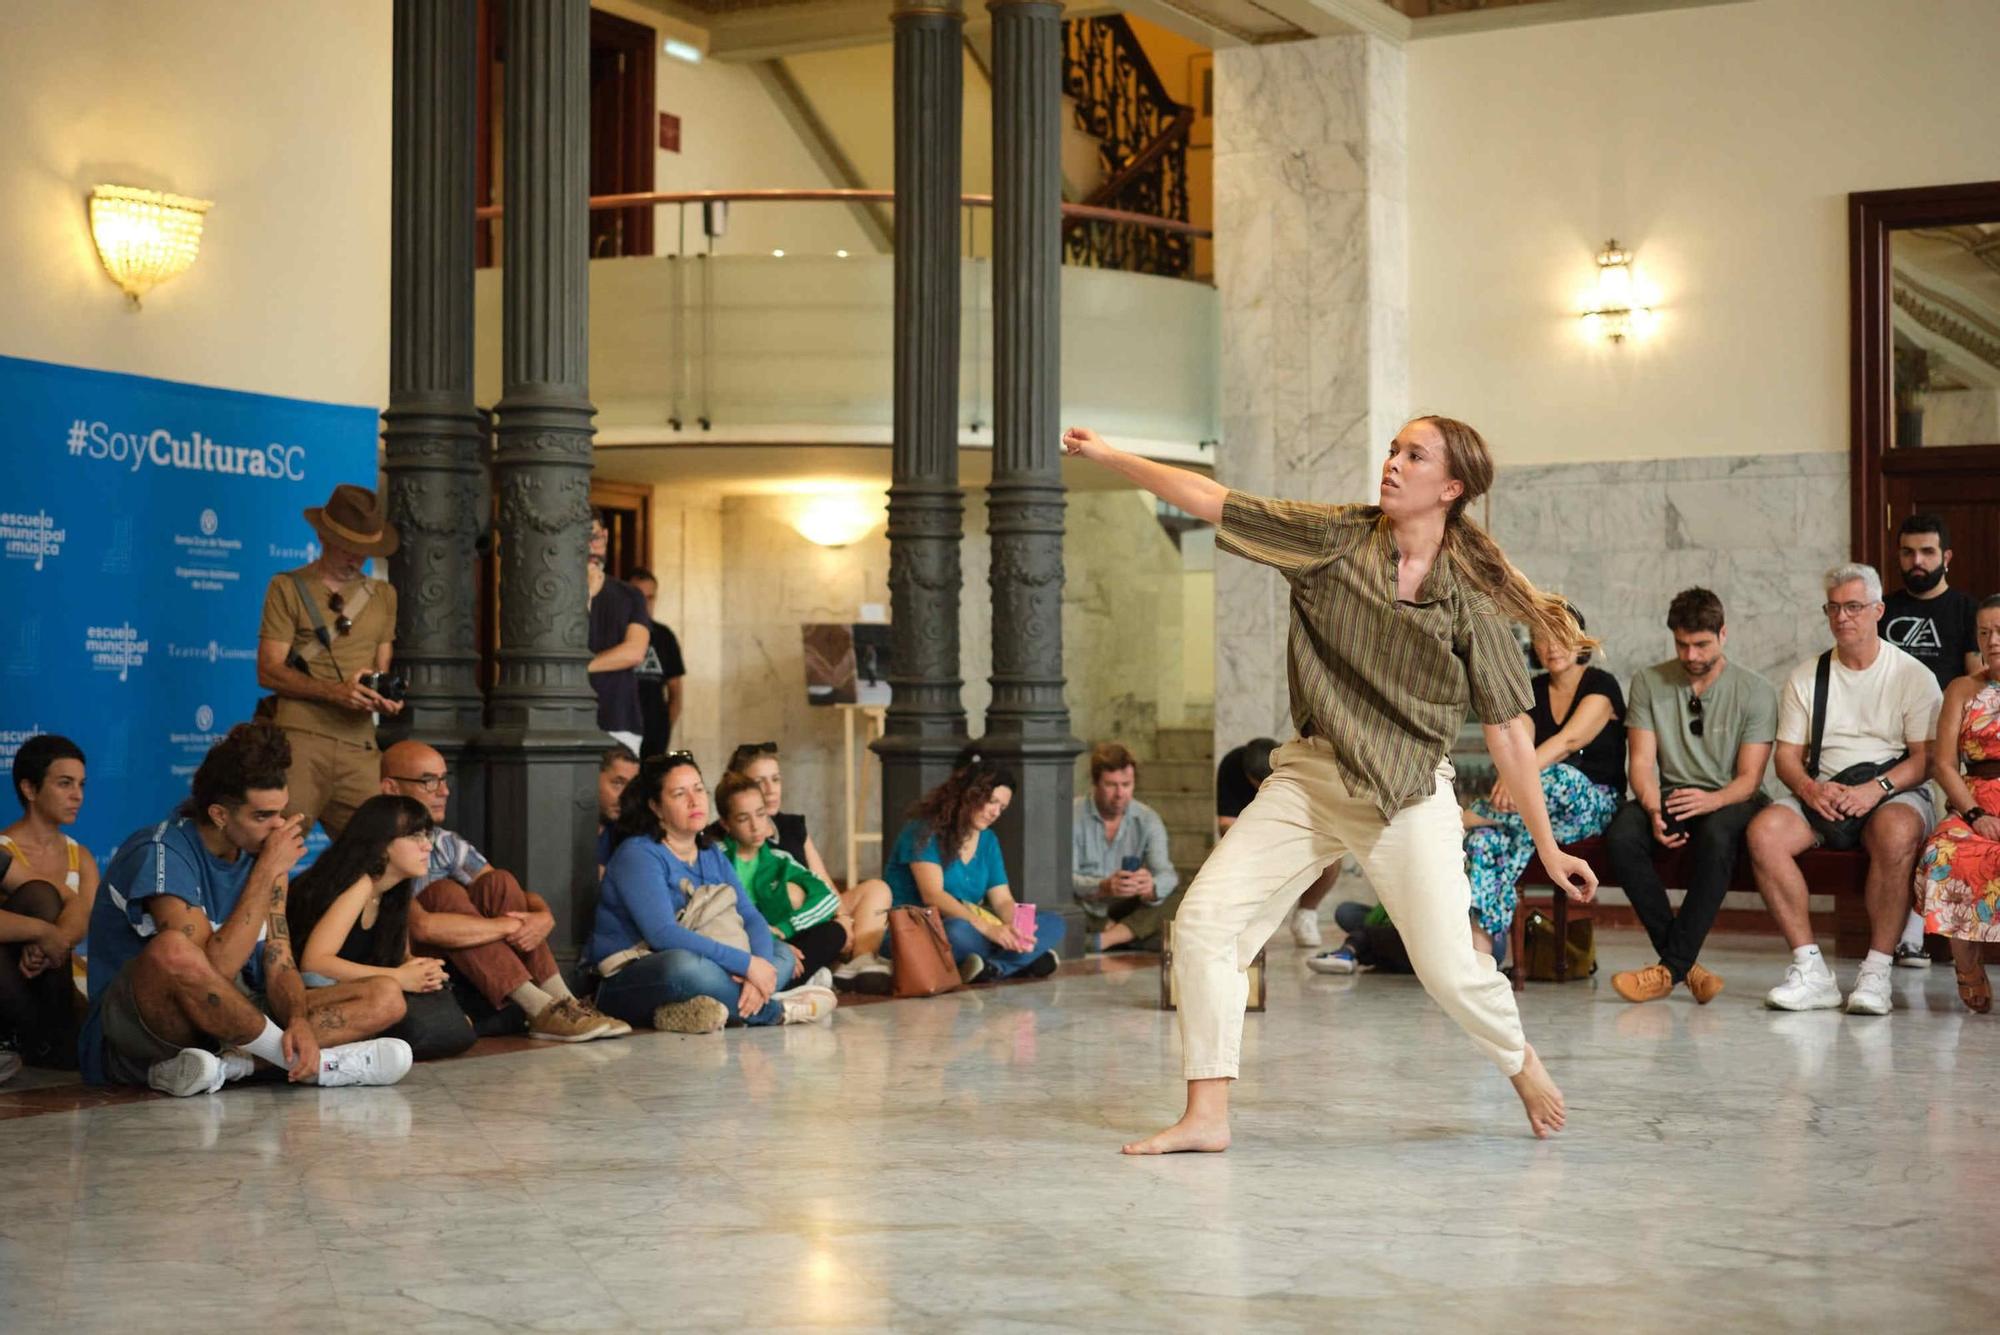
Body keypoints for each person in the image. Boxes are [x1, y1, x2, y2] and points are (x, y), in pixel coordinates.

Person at [1064, 418, 1598, 1151]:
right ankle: (1207, 1115)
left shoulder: (1469, 595)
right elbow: (1213, 499)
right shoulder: (1333, 538)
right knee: (1204, 925)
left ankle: (1521, 1060)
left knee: (1446, 967)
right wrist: (1112, 456)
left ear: (1450, 488)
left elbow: (1510, 732)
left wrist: (1548, 844)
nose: (1391, 463)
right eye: (1392, 449)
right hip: (1313, 775)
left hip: (1407, 790)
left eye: (1414, 456)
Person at [82, 721, 411, 1094]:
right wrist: (268, 870)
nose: (279, 827)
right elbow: (212, 969)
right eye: (262, 816)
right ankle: (312, 1064)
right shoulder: (163, 851)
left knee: (385, 996)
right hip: (143, 1030)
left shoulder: (262, 852)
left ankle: (230, 1068)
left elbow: (279, 959)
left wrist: (299, 1019)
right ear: (220, 815)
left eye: (282, 812)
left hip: (235, 1016)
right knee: (173, 950)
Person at [1749, 564, 1943, 1015]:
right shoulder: (1807, 675)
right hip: (1824, 788)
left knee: (1896, 833)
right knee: (1764, 834)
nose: (1843, 617)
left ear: (1878, 610)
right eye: (1833, 608)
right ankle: (1811, 970)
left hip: (1892, 790)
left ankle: (1876, 972)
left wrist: (1876, 789)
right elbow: (1786, 756)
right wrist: (1809, 788)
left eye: (1853, 607)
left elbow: (1927, 759)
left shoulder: (1912, 676)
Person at [382, 741, 627, 1042]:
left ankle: (564, 1003)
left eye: (444, 780)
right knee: (443, 894)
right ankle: (538, 1008)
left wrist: (541, 915)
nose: (444, 791)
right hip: (409, 963)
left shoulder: (444, 842)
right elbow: (422, 926)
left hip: (471, 963)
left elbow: (510, 894)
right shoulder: (376, 844)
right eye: (429, 781)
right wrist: (510, 926)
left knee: (499, 882)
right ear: (391, 787)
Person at [1605, 588, 1777, 1004]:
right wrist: (1651, 807)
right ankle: (1684, 967)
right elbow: (1642, 764)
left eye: (1701, 644)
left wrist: (1711, 800)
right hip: (1670, 793)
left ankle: (1669, 967)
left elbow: (1750, 778)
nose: (1691, 654)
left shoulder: (1755, 690)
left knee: (1717, 835)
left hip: (1734, 798)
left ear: (1723, 635)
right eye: (1682, 644)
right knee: (1622, 836)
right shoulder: (1649, 682)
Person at [587, 751, 837, 1034]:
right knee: (685, 967)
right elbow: (663, 935)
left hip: (709, 960)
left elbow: (750, 916)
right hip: (635, 973)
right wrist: (745, 964)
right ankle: (776, 1010)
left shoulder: (709, 852)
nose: (695, 801)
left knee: (781, 953)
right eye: (680, 794)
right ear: (656, 807)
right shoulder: (639, 854)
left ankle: (701, 1009)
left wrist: (759, 966)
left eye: (698, 789)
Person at [1452, 604, 1623, 966]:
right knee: (1486, 841)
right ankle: (1482, 954)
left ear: (1580, 642)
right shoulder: (1532, 690)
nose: (1551, 646)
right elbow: (1518, 745)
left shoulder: (1601, 684)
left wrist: (1517, 782)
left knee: (1562, 775)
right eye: (1542, 637)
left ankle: (1470, 815)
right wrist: (1509, 779)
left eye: (1560, 636)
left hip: (1589, 804)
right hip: (1534, 817)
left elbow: (1568, 742)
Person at [256, 482, 406, 836]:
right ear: (324, 537)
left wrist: (384, 699)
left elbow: (381, 668)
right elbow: (268, 671)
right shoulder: (287, 587)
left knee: (378, 852)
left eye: (364, 550)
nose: (356, 558)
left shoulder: (384, 595)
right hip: (300, 738)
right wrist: (334, 692)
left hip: (360, 743)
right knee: (277, 846)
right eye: (348, 548)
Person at [285, 794, 478, 1061]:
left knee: (460, 1026)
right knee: (402, 1007)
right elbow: (314, 964)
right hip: (302, 998)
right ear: (382, 844)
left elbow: (400, 956)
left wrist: (420, 970)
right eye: (415, 837)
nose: (427, 847)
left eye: (427, 836)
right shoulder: (359, 883)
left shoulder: (395, 890)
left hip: (357, 993)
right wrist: (399, 977)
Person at [1880, 513, 1981, 966]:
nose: (1916, 561)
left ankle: (1915, 932)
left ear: (1947, 557)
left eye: (1926, 552)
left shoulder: (1965, 610)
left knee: (1937, 818)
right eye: (1907, 552)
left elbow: (1977, 683)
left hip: (1948, 744)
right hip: (1889, 741)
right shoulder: (1883, 609)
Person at [882, 753, 1065, 983]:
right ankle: (1018, 961)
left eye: (1003, 807)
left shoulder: (988, 841)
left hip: (974, 929)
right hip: (919, 931)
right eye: (992, 801)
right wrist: (990, 931)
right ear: (968, 794)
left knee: (1053, 923)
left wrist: (1017, 928)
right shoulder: (924, 830)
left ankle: (993, 966)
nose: (996, 812)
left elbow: (1002, 900)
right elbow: (933, 896)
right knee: (958, 932)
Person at [724, 740, 894, 985]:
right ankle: (832, 963)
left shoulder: (792, 826)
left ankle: (860, 962)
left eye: (776, 779)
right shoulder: (732, 839)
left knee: (877, 889)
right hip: (780, 926)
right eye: (760, 782)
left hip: (816, 912)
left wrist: (843, 919)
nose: (771, 790)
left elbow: (824, 884)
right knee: (793, 893)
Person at [1916, 594, 2000, 1012]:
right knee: (1943, 853)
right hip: (1976, 797)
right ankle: (1966, 966)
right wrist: (1975, 814)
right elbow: (1944, 764)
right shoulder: (1962, 689)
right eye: (1985, 633)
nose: (1994, 640)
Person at [0, 734, 99, 1060]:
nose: (77, 796)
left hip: (60, 969)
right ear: (30, 789)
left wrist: (50, 941)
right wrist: (41, 933)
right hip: (16, 979)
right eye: (65, 784)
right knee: (41, 898)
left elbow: (82, 911)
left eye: (81, 784)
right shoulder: (4, 849)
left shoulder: (80, 854)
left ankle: (51, 1041)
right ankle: (51, 1041)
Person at [713, 771, 855, 988]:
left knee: (834, 932)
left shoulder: (780, 859)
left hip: (779, 941)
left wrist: (784, 930)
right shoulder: (715, 858)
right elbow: (714, 920)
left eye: (761, 814)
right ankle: (787, 983)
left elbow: (827, 898)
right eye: (743, 818)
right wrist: (770, 942)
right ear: (725, 824)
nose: (756, 825)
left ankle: (780, 982)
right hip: (736, 946)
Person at [1217, 738, 1334, 946]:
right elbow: (1226, 824)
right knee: (1223, 855)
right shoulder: (1232, 765)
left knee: (1332, 858)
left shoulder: (1301, 768)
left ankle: (1306, 914)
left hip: (1297, 831)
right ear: (1248, 776)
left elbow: (1323, 822)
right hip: (1252, 834)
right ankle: (1234, 920)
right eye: (1259, 784)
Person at [1073, 741, 1181, 952]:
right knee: (1052, 904)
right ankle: (1131, 937)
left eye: (1126, 784)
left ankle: (1105, 940)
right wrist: (1102, 886)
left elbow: (1166, 874)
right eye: (1111, 785)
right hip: (1086, 906)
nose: (1120, 793)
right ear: (1095, 784)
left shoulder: (1147, 819)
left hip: (1126, 906)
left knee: (1179, 896)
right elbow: (1063, 880)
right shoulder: (1073, 815)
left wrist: (1151, 886)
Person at [588, 552, 652, 754]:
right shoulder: (552, 592)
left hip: (618, 719)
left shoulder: (629, 594)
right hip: (563, 717)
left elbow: (633, 652)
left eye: (596, 537)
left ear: (605, 537)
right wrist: (588, 594)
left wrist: (577, 668)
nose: (590, 546)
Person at [627, 567, 687, 757]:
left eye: (650, 597)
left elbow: (675, 694)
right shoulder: (612, 633)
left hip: (654, 736)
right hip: (619, 731)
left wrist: (664, 729)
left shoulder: (664, 636)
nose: (644, 604)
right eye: (638, 596)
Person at [596, 743, 640, 874]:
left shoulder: (631, 832)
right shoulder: (563, 831)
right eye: (618, 783)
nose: (626, 796)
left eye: (631, 786)